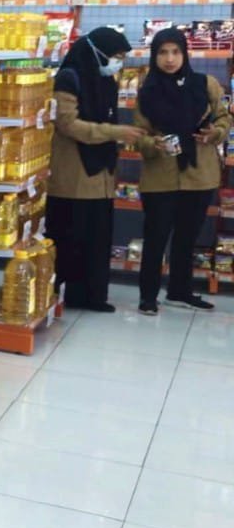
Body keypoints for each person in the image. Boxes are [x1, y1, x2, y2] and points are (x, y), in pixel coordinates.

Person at [45, 27, 144, 312]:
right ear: (97, 51)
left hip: (102, 171)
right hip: (74, 173)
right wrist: (114, 132)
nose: (118, 63)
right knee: (72, 236)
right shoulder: (69, 77)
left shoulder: (106, 81)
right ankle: (66, 295)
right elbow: (68, 124)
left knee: (97, 236)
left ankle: (93, 296)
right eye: (115, 56)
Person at [133, 28, 228, 314]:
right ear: (154, 56)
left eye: (176, 52)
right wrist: (153, 144)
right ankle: (148, 297)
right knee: (156, 238)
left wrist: (215, 133)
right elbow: (139, 135)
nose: (170, 59)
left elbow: (224, 117)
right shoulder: (147, 91)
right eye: (163, 52)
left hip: (199, 175)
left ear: (185, 54)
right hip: (160, 177)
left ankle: (179, 292)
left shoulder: (206, 84)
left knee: (187, 238)